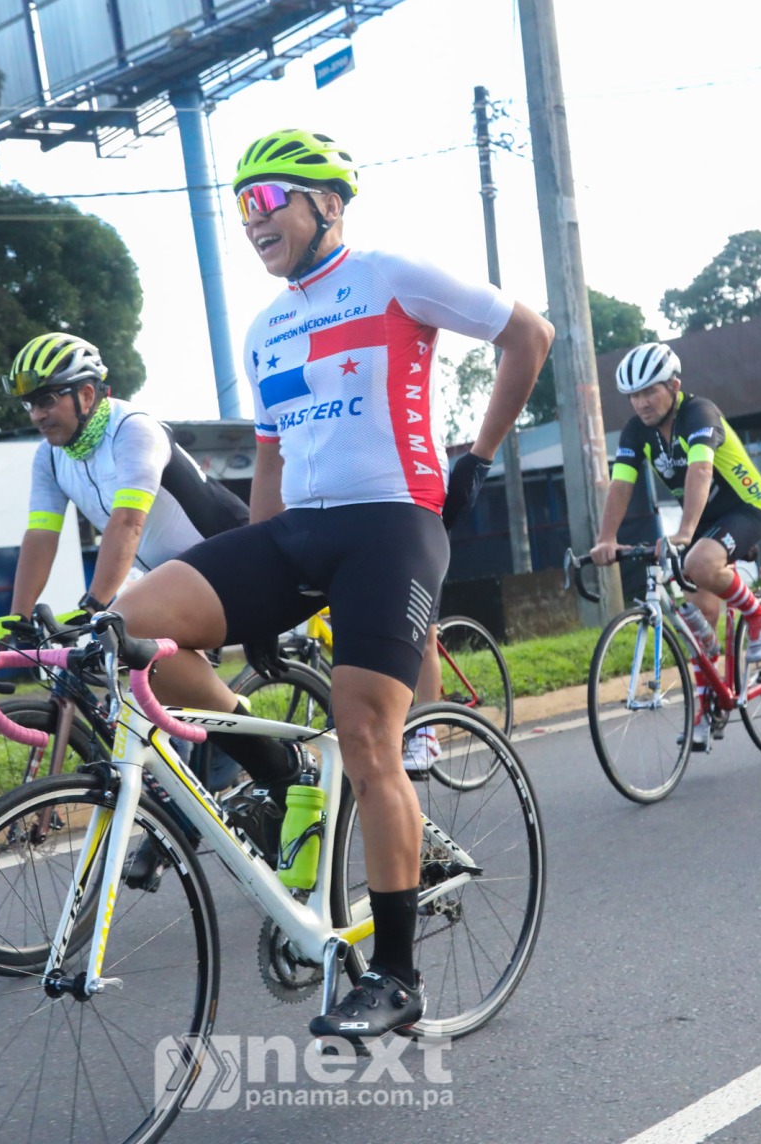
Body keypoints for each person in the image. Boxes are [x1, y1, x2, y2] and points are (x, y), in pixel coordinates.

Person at [109, 128, 553, 1038]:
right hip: (296, 535)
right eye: (240, 206)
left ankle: (397, 975)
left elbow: (529, 335)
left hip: (391, 528)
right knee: (126, 629)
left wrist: (477, 456)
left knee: (367, 737)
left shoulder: (392, 275)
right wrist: (255, 580)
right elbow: (271, 458)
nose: (251, 220)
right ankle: (275, 769)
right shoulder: (264, 329)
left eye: (266, 200)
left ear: (327, 203)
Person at [0, 332, 250, 859]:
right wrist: (17, 618)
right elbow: (41, 535)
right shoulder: (51, 457)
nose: (37, 414)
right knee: (131, 673)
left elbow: (128, 522)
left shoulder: (134, 429)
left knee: (134, 642)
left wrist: (95, 605)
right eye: (30, 404)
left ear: (86, 395)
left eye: (47, 399)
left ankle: (235, 752)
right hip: (167, 575)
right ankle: (188, 796)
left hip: (229, 558)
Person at [590, 342, 761, 748]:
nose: (641, 403)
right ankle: (709, 705)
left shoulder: (699, 413)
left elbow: (701, 469)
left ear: (674, 386)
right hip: (705, 518)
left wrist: (684, 532)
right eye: (633, 395)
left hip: (744, 506)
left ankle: (759, 616)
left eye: (649, 392)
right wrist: (606, 538)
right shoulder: (636, 431)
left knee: (699, 562)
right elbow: (621, 484)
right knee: (699, 619)